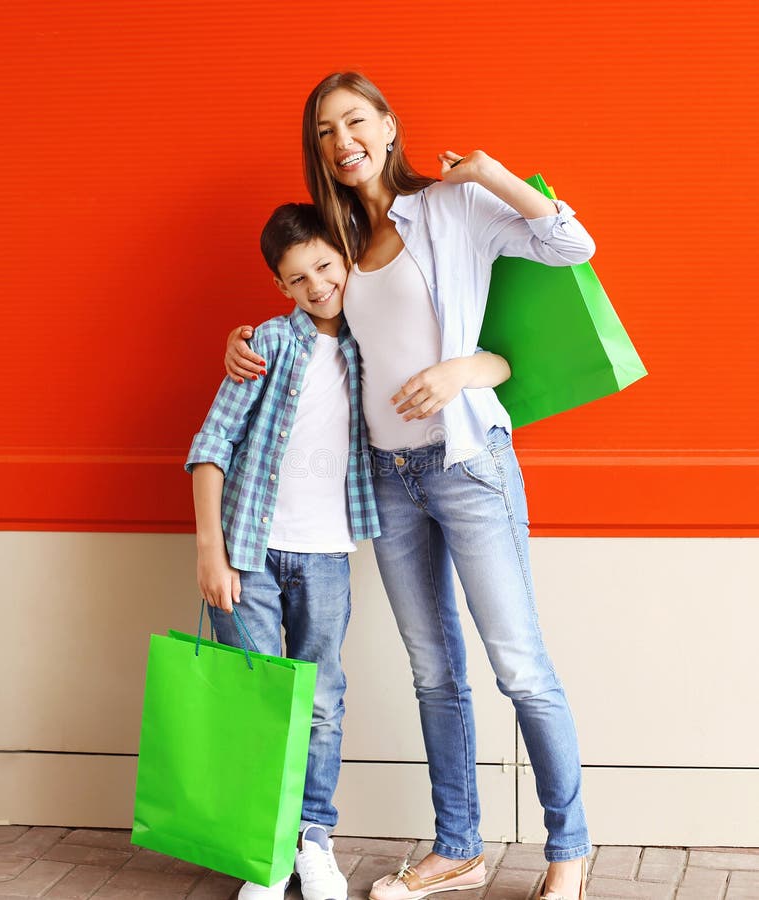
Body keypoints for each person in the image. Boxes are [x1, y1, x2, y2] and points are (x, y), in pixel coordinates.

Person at [224, 72, 596, 900]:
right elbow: (306, 324)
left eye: (354, 120)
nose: (340, 139)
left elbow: (571, 245)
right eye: (324, 130)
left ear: (388, 126)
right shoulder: (338, 239)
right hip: (389, 481)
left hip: (466, 465)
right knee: (434, 671)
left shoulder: (448, 209)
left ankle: (567, 849)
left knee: (519, 667)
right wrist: (240, 339)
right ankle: (456, 847)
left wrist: (490, 176)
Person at [187, 201, 511, 900]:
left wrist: (469, 369)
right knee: (255, 703)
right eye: (297, 278)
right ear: (281, 287)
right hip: (247, 553)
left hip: (327, 555)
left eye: (325, 267)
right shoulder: (268, 344)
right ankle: (262, 854)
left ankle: (312, 840)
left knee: (321, 703)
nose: (316, 286)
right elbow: (211, 446)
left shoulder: (370, 345)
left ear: (346, 259)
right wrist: (210, 553)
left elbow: (480, 361)